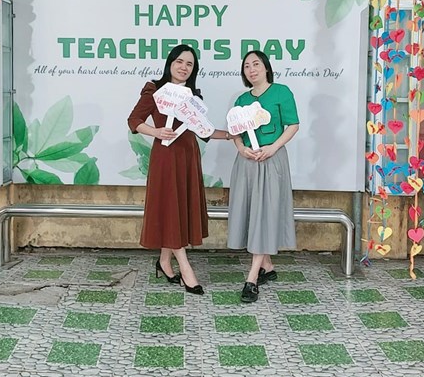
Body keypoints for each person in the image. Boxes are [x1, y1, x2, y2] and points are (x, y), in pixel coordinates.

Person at [126, 44, 231, 295]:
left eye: (189, 64)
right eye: (180, 62)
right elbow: (134, 120)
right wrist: (156, 131)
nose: (184, 67)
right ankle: (185, 268)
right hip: (165, 158)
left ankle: (164, 261)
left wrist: (232, 135)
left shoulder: (193, 97)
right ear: (170, 63)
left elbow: (204, 131)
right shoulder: (154, 89)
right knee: (170, 207)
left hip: (188, 158)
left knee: (176, 210)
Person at [227, 50, 299, 303]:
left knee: (265, 212)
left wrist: (273, 148)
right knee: (252, 212)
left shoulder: (281, 92)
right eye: (247, 66)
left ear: (266, 67)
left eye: (256, 64)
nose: (251, 69)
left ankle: (251, 278)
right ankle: (267, 267)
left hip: (271, 160)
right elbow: (234, 132)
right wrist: (240, 148)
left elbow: (293, 125)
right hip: (247, 162)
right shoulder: (241, 100)